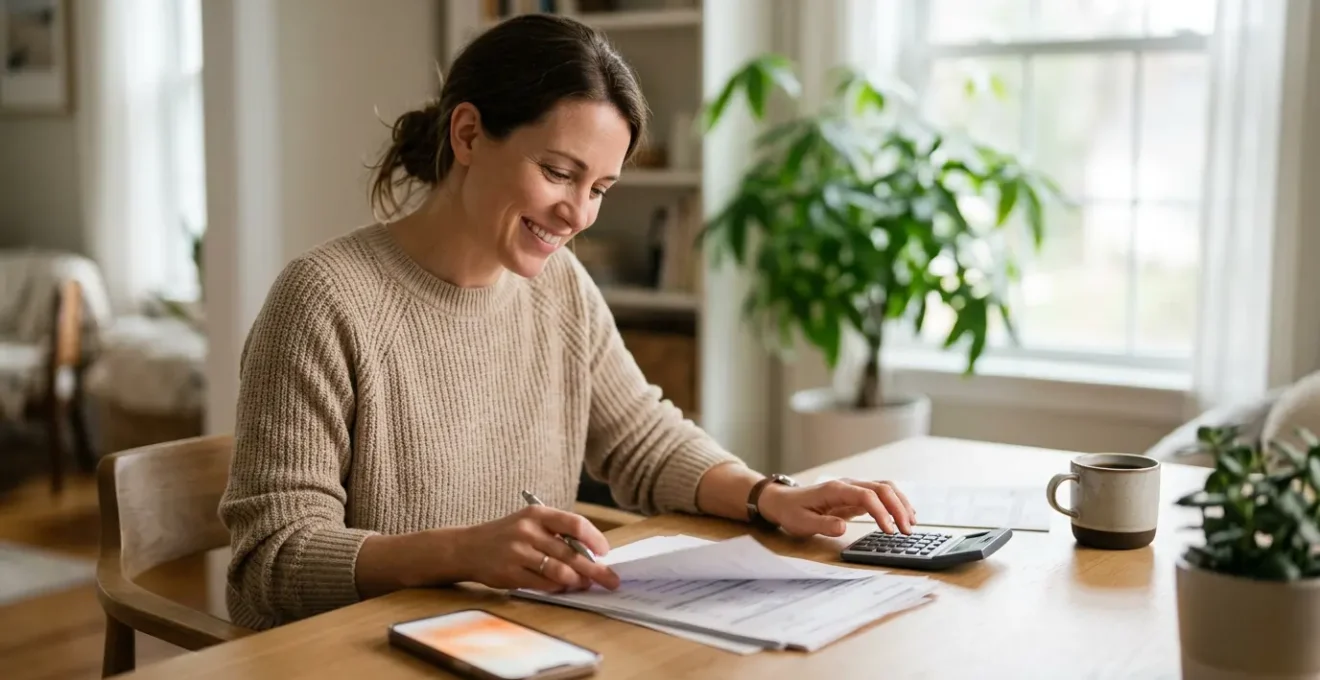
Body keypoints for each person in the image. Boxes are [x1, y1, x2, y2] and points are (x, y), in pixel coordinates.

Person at [218, 13, 915, 632]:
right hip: (359, 654)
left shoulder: (559, 286)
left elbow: (642, 438)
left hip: (518, 639)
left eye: (599, 188)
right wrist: (463, 552)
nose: (578, 214)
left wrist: (769, 496)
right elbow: (270, 562)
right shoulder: (323, 300)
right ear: (468, 134)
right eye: (558, 172)